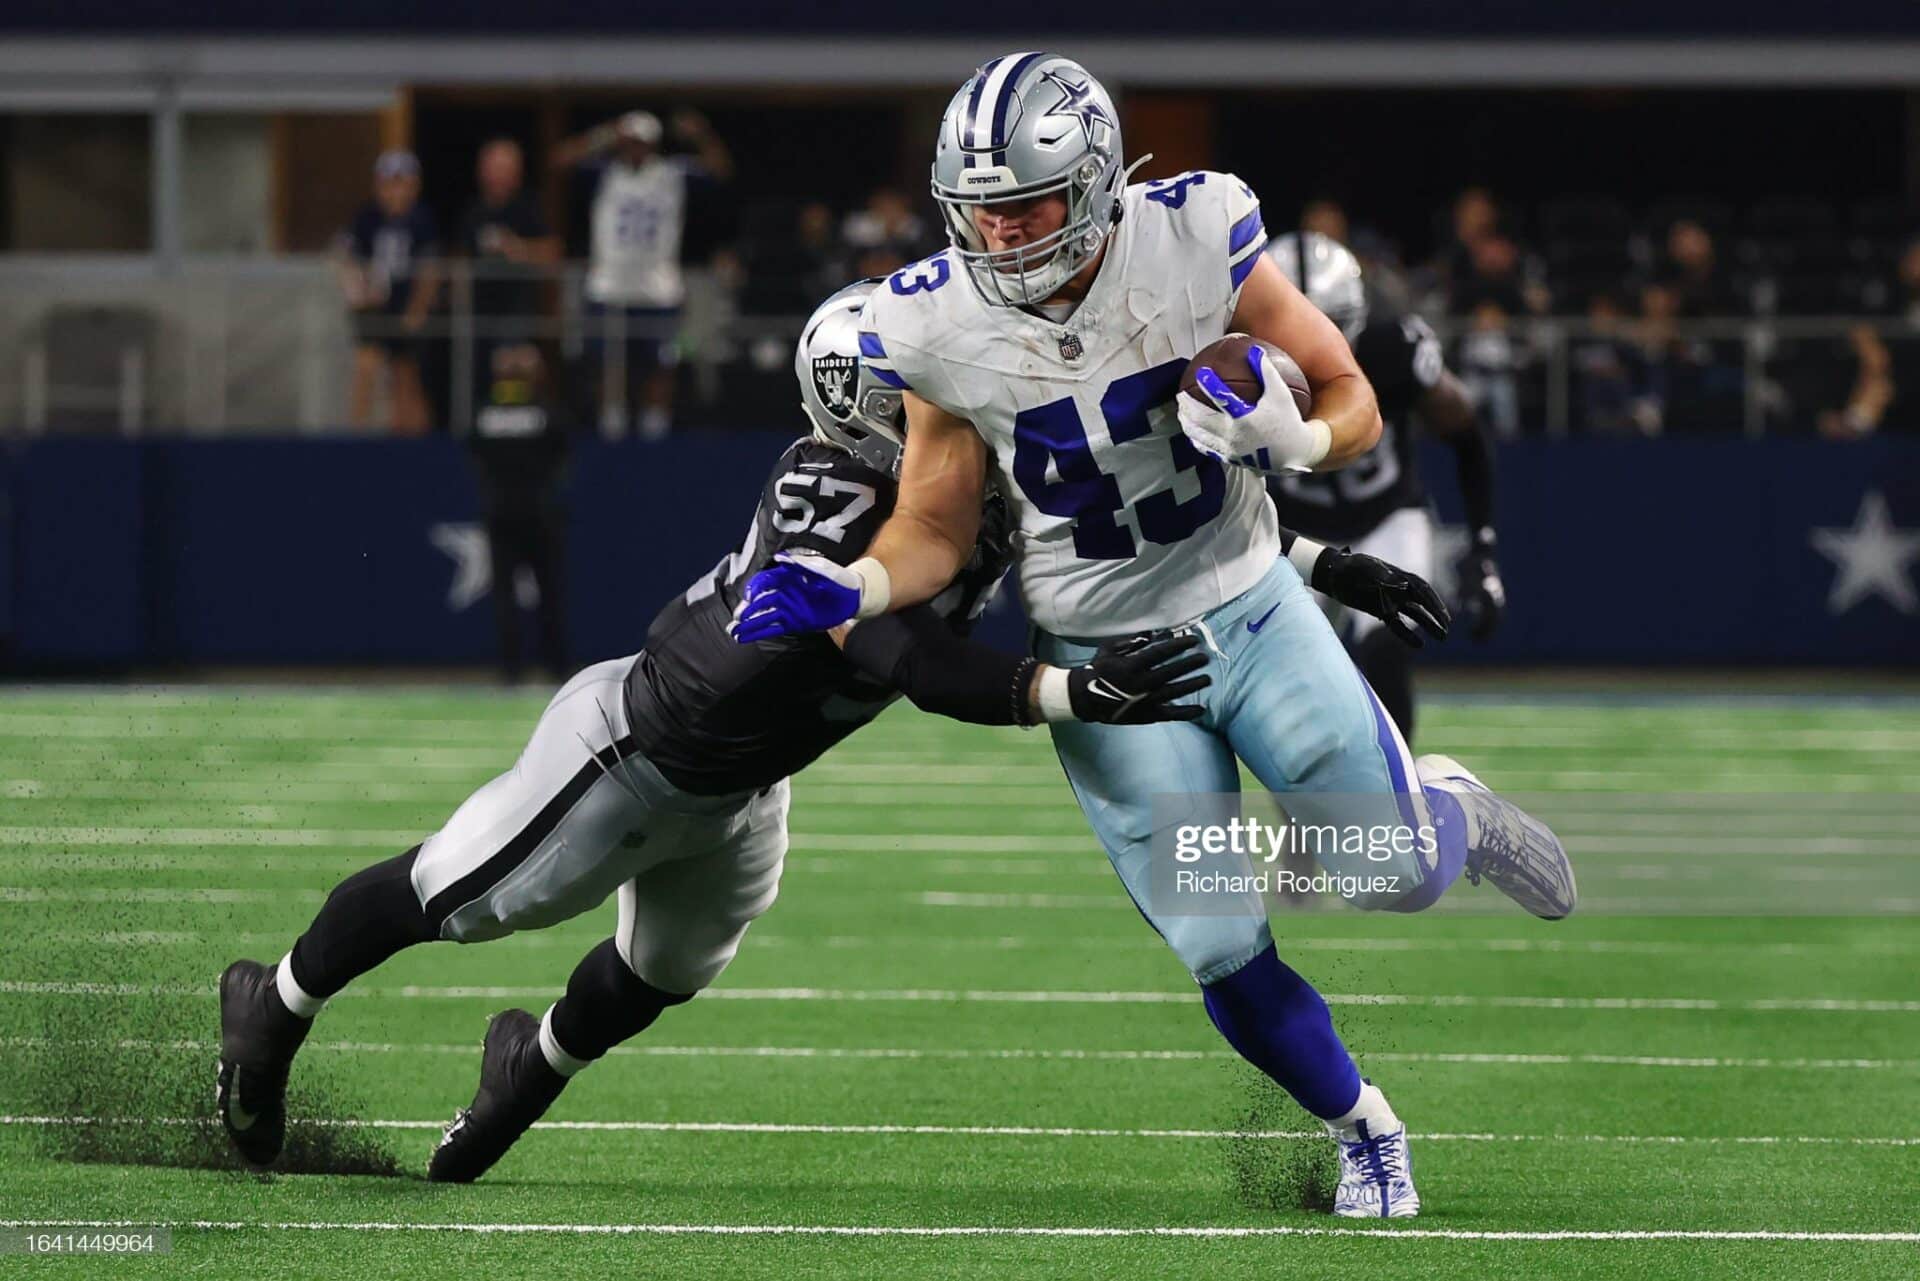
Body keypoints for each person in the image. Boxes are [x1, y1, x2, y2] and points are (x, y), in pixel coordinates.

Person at [215, 278, 1448, 1184]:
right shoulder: (838, 493)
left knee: (662, 972)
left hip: (749, 786)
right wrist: (1073, 695)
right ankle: (272, 1004)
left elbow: (1127, 516)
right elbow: (907, 659)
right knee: (463, 895)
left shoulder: (969, 476)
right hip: (635, 752)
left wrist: (1327, 563)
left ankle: (518, 1078)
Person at [732, 53, 1577, 1221]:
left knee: (1388, 876)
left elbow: (1350, 394)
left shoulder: (1194, 234)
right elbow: (934, 520)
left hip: (1250, 603)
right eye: (979, 208)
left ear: (1092, 181)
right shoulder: (929, 319)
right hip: (1107, 661)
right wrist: (858, 586)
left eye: (1028, 204)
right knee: (1219, 939)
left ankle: (1456, 816)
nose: (1000, 232)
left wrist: (1296, 443)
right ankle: (1363, 1130)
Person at [1266, 231, 1502, 745]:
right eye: (1294, 324)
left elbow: (1465, 433)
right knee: (1288, 680)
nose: (1310, 344)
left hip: (1384, 517)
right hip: (1295, 531)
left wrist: (1484, 546)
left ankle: (1394, 787)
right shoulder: (1240, 362)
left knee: (1387, 646)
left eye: (1329, 325)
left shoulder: (1391, 349)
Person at [555, 109, 733, 440]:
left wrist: (700, 136)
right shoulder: (605, 171)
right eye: (631, 142)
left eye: (642, 143)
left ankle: (655, 426)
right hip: (609, 284)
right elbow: (561, 160)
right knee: (608, 362)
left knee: (662, 362)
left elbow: (720, 170)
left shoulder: (671, 173)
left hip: (658, 287)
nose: (635, 149)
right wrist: (605, 134)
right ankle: (611, 425)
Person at [468, 343, 570, 683]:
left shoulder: (485, 412)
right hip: (538, 513)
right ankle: (555, 665)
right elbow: (562, 449)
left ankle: (511, 668)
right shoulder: (544, 409)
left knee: (505, 595)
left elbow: (475, 451)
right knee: (549, 592)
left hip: (501, 513)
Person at [338, 150, 441, 434]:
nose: (395, 192)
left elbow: (430, 270)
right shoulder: (367, 217)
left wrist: (418, 308)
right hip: (374, 307)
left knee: (405, 373)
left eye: (401, 184)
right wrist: (359, 291)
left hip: (405, 305)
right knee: (366, 366)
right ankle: (358, 435)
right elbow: (345, 258)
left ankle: (410, 437)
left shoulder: (421, 219)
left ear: (414, 186)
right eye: (388, 184)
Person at [455, 138, 562, 406]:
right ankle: (493, 413)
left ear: (517, 172)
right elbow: (460, 257)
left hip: (519, 307)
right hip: (480, 310)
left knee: (517, 361)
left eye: (504, 168)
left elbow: (553, 252)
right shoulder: (473, 211)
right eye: (493, 168)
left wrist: (517, 248)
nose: (497, 175)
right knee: (485, 368)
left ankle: (520, 412)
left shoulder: (528, 208)